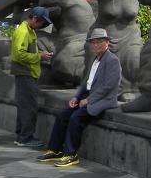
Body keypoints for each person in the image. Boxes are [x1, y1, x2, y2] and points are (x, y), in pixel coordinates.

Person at [36, 28, 121, 167]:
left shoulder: (112, 60)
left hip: (103, 100)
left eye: (99, 41)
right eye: (93, 42)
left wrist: (88, 100)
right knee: (62, 116)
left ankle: (71, 154)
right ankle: (55, 150)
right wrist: (76, 97)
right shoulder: (94, 59)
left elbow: (108, 86)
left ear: (107, 42)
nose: (96, 45)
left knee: (76, 119)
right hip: (87, 96)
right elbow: (86, 82)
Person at [11, 6, 53, 148]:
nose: (41, 25)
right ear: (34, 18)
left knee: (24, 106)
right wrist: (39, 56)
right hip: (25, 74)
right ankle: (25, 138)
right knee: (29, 107)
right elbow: (19, 55)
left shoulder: (29, 31)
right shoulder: (23, 32)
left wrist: (39, 53)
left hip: (28, 74)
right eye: (41, 22)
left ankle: (21, 135)